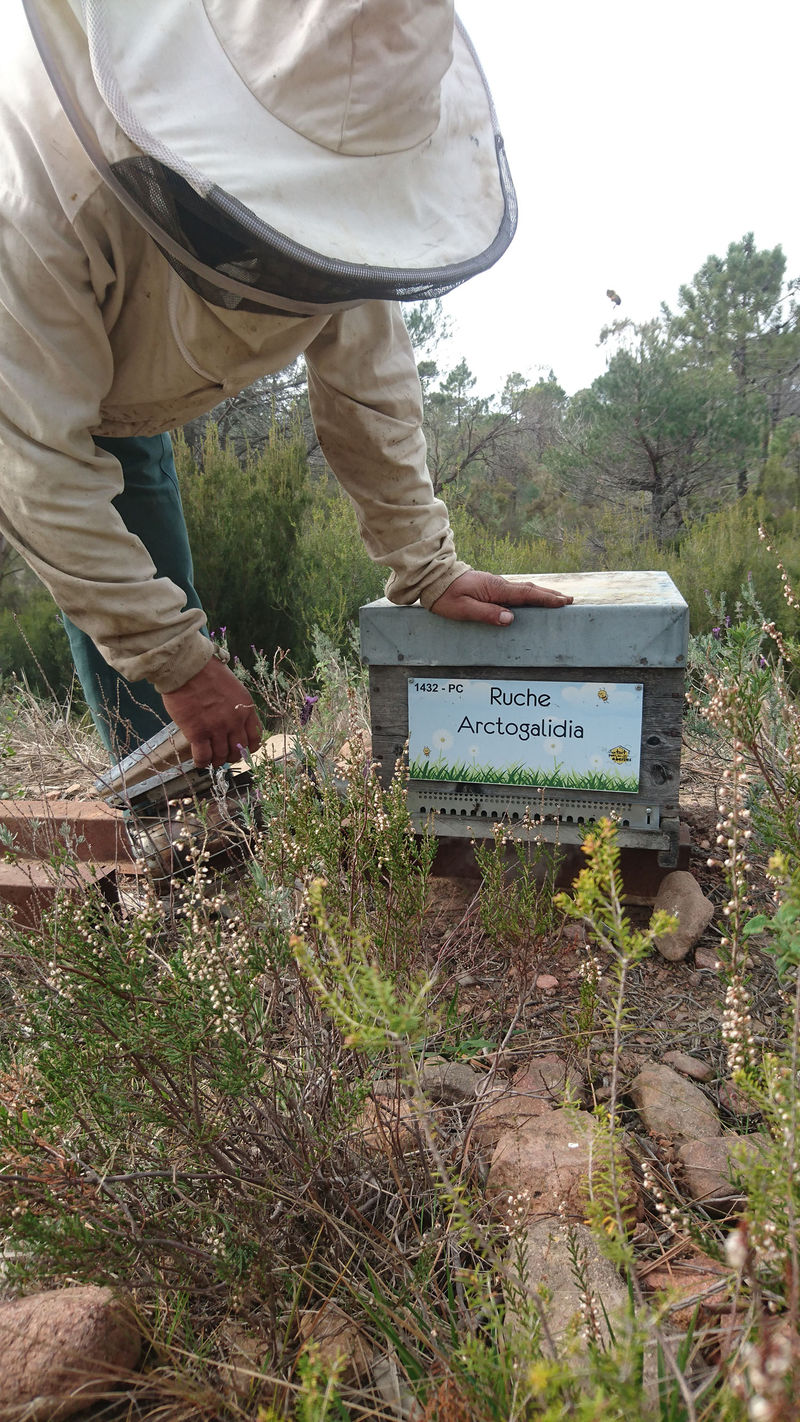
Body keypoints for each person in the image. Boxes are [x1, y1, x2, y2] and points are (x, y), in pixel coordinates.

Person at [1, 0, 572, 770]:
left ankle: (181, 813)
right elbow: (36, 467)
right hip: (28, 388)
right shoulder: (34, 192)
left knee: (153, 575)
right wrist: (178, 666)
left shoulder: (340, 125)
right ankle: (147, 842)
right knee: (144, 640)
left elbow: (369, 378)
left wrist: (425, 562)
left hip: (123, 398)